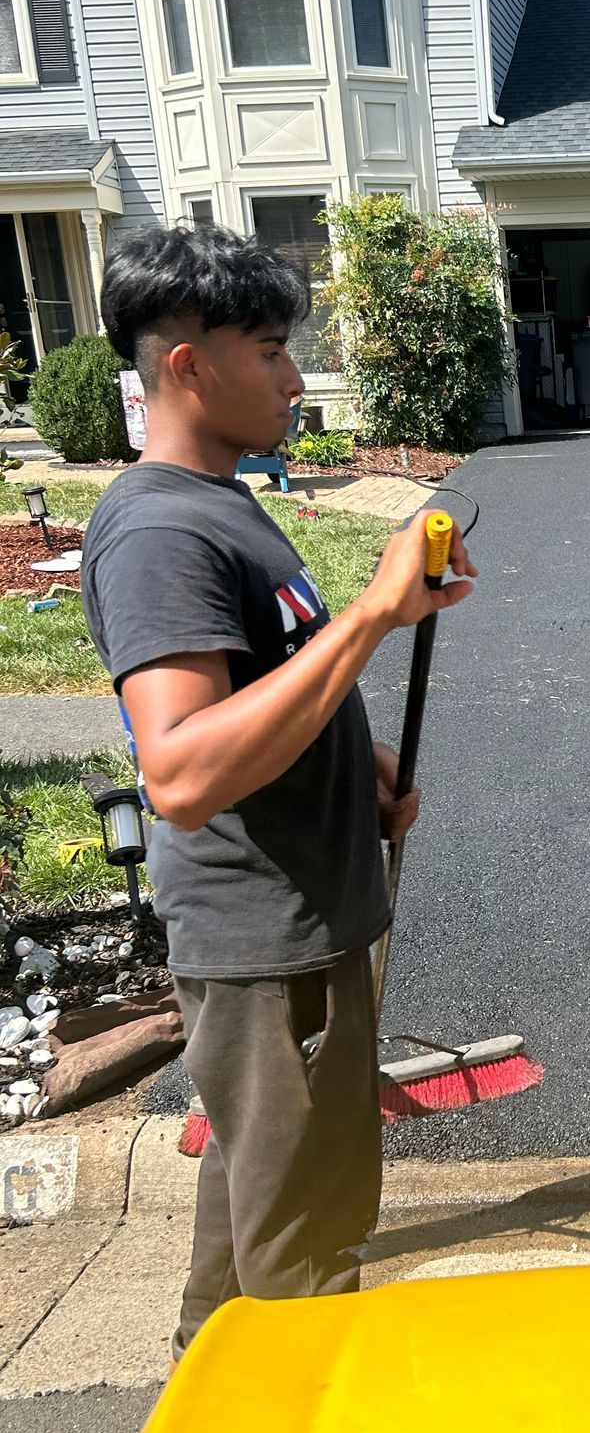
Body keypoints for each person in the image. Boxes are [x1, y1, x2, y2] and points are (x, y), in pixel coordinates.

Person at [80, 223, 476, 1356]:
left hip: (294, 929)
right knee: (306, 1248)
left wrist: (362, 763)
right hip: (271, 950)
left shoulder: (220, 498)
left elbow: (266, 688)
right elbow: (185, 770)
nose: (297, 378)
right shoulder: (159, 529)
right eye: (270, 349)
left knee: (251, 1219)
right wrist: (372, 615)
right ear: (186, 365)